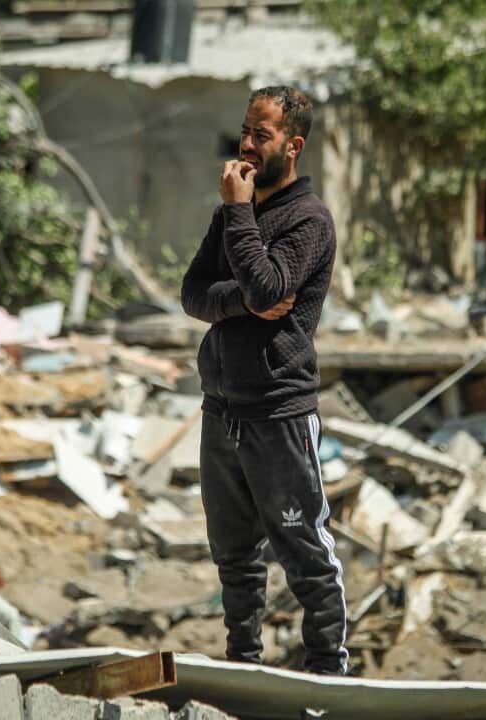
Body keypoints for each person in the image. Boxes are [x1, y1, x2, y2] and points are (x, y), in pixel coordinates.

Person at [180, 86, 347, 676]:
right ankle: (243, 666)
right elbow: (194, 294)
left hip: (278, 409)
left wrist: (241, 220)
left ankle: (329, 671)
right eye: (245, 132)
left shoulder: (309, 220)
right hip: (221, 406)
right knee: (234, 554)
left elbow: (271, 288)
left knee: (304, 550)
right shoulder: (232, 213)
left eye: (262, 135)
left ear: (293, 146)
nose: (246, 146)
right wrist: (244, 300)